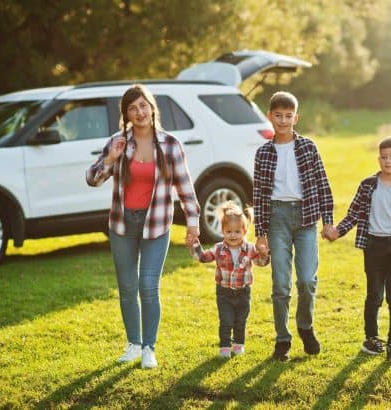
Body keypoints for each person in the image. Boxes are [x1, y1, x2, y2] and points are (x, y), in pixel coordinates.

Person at [86, 84, 200, 369]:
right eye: (132, 108)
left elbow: (185, 187)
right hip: (123, 224)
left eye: (143, 105)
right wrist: (111, 158)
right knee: (127, 288)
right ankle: (133, 344)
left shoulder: (171, 144)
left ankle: (149, 347)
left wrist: (193, 221)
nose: (139, 112)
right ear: (126, 114)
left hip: (157, 224)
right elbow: (92, 179)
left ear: (152, 108)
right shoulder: (118, 142)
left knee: (148, 286)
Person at [326, 136, 391, 362]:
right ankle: (371, 339)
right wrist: (337, 231)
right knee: (374, 295)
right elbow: (353, 214)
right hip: (373, 246)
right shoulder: (367, 185)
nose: (388, 161)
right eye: (384, 157)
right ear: (378, 159)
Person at [253, 91, 334, 361]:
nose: (283, 120)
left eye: (289, 116)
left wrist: (328, 221)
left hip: (307, 217)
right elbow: (259, 195)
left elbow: (323, 184)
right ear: (270, 117)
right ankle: (282, 339)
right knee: (280, 284)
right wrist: (260, 234)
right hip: (277, 217)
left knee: (308, 280)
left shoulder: (308, 147)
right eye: (278, 116)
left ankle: (305, 326)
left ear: (296, 118)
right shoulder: (263, 153)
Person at [190, 202, 269, 358]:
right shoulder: (218, 248)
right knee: (226, 321)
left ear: (245, 231)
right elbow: (204, 257)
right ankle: (225, 346)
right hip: (224, 293)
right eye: (229, 231)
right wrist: (194, 245)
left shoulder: (250, 249)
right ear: (223, 231)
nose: (233, 235)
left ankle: (238, 344)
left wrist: (264, 254)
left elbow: (261, 263)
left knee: (240, 321)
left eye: (237, 232)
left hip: (243, 293)